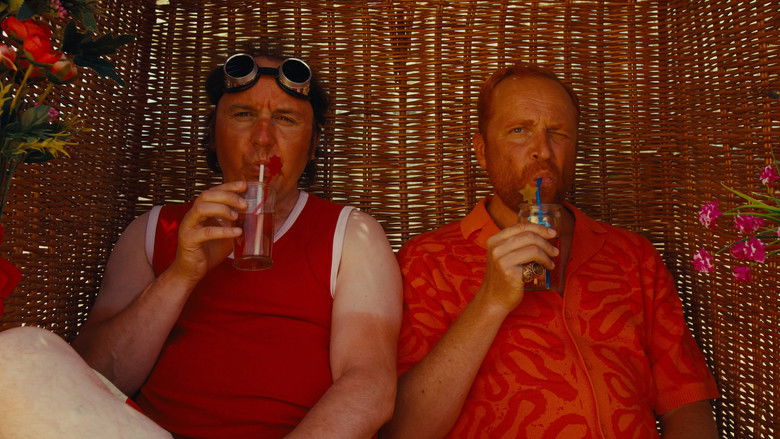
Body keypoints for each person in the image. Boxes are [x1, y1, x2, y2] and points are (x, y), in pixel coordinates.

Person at [0, 45, 401, 438]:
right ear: (212, 135)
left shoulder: (351, 235)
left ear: (312, 146)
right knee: (19, 353)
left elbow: (369, 385)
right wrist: (181, 274)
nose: (263, 138)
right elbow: (94, 379)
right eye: (243, 115)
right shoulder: (152, 229)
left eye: (286, 119)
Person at [381, 63, 719, 438]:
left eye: (558, 133)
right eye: (519, 130)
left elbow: (686, 403)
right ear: (482, 150)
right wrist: (490, 302)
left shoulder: (632, 256)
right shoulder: (427, 260)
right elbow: (403, 430)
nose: (542, 150)